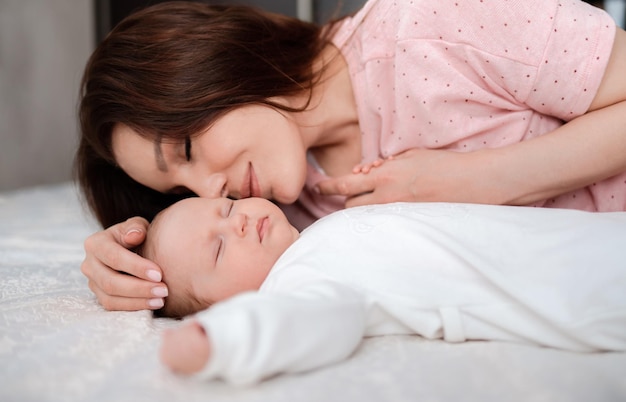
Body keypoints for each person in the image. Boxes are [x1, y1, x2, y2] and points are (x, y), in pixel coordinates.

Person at [76, 0, 626, 312]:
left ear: (213, 66)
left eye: (188, 149)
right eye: (180, 191)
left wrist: (483, 179)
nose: (209, 190)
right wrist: (130, 266)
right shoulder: (285, 219)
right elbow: (199, 262)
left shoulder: (435, 18)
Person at [139, 196, 626, 385]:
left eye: (225, 208)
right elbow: (308, 322)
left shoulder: (313, 235)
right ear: (230, 304)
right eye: (219, 251)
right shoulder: (300, 282)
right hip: (573, 289)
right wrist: (220, 340)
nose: (240, 221)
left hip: (572, 238)